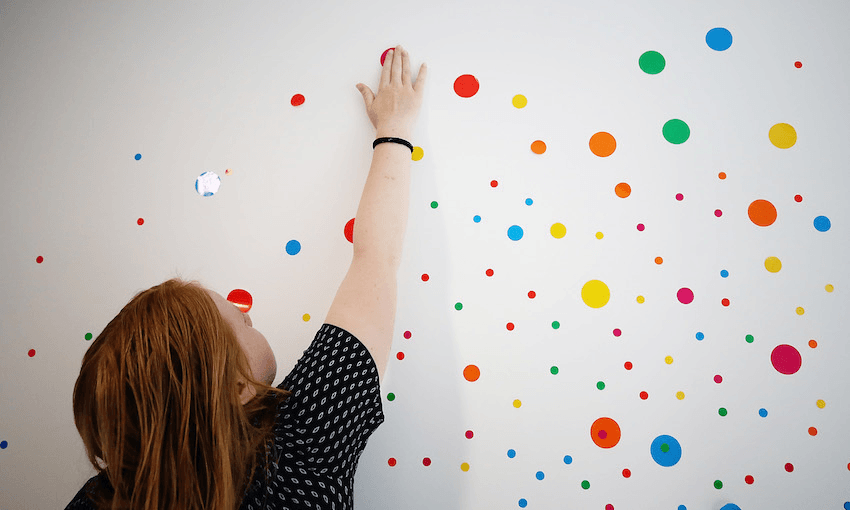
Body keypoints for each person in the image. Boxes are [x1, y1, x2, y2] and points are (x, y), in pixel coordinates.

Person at [65, 44, 427, 510]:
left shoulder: (100, 500)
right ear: (236, 389)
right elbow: (374, 259)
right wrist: (395, 131)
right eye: (234, 320)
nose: (244, 309)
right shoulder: (303, 448)